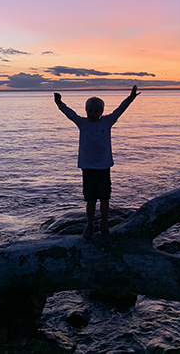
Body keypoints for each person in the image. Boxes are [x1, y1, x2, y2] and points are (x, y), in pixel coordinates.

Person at [54, 85, 139, 242]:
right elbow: (70, 114)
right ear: (86, 111)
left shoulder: (107, 122)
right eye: (90, 111)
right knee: (90, 200)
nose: (93, 114)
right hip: (88, 168)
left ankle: (104, 225)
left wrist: (130, 98)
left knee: (105, 199)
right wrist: (60, 104)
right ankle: (90, 225)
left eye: (96, 111)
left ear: (101, 112)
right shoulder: (82, 123)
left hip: (104, 167)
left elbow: (120, 110)